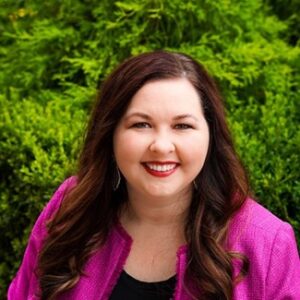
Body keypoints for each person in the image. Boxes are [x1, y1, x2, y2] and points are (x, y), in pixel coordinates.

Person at [8, 50, 300, 300]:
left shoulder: (266, 243)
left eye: (183, 126)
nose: (161, 145)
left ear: (211, 135)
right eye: (141, 124)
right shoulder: (70, 208)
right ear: (111, 133)